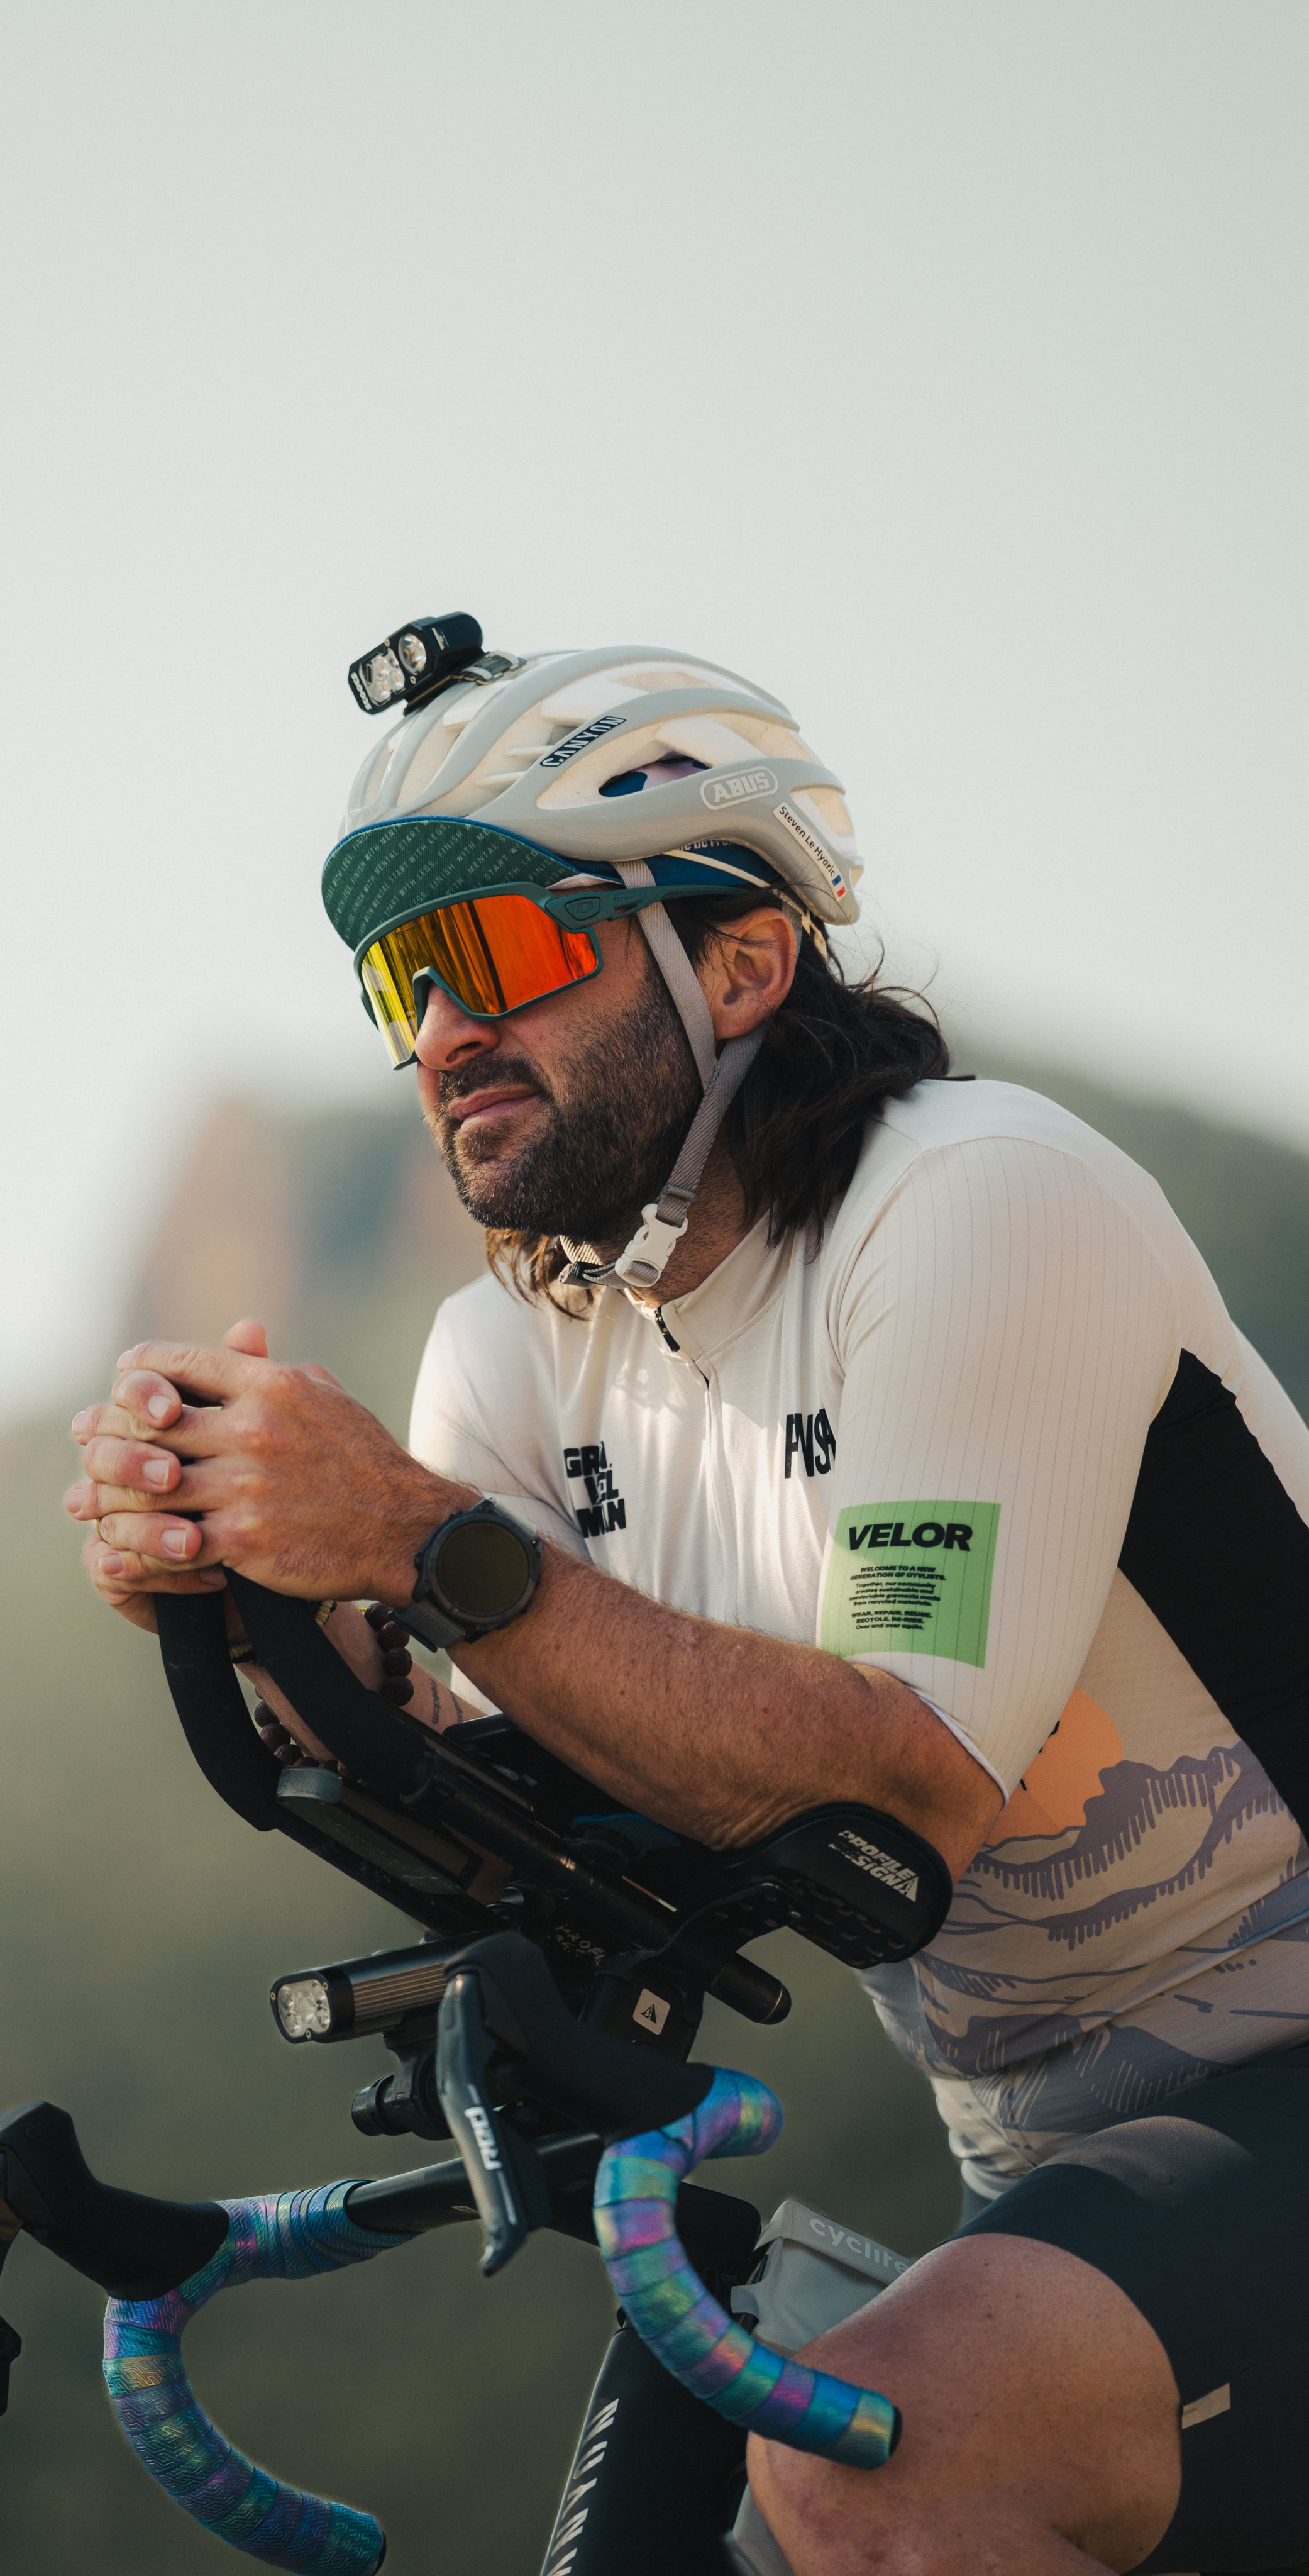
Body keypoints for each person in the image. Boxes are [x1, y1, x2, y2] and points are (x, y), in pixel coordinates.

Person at [64, 628, 1309, 2576]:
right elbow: (487, 1794)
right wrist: (238, 1607)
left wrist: (402, 1533)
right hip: (1057, 2166)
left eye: (499, 953)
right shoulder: (513, 1359)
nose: (441, 1032)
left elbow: (903, 1794)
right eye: (406, 981)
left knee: (875, 2466)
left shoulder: (971, 1201)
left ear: (738, 961)